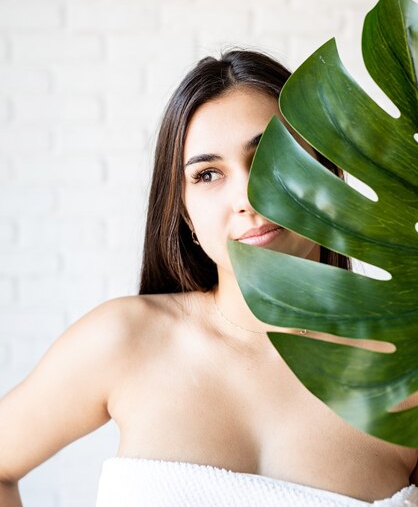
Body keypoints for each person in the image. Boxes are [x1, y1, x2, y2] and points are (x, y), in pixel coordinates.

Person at [0, 49, 417, 507]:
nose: (246, 195)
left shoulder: (404, 371)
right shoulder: (124, 339)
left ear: (325, 169)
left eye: (270, 156)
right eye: (208, 174)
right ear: (184, 213)